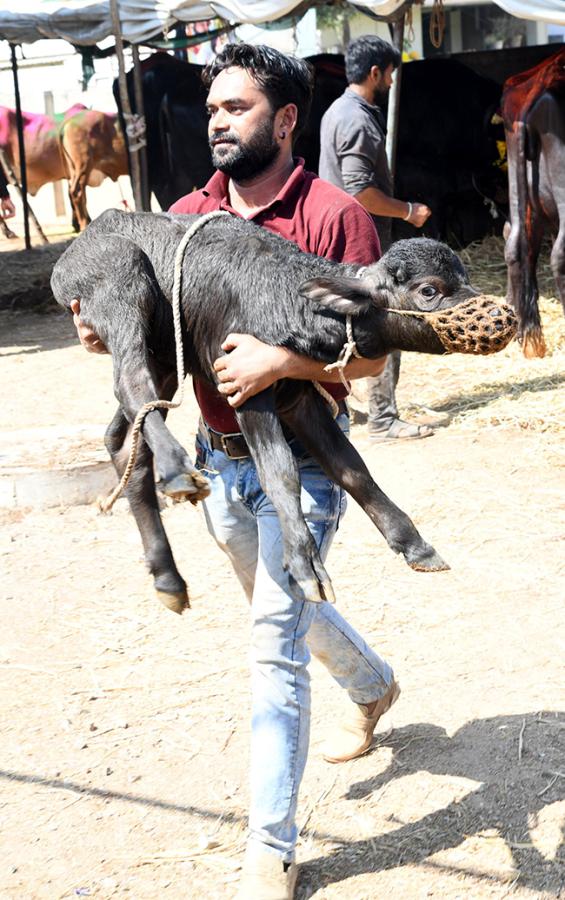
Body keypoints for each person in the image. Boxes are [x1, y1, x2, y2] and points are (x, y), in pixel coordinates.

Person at [73, 44, 399, 900]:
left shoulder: (334, 216)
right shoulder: (180, 216)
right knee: (277, 613)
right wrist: (109, 331)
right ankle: (372, 685)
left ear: (286, 120)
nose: (216, 121)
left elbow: (370, 357)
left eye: (236, 108)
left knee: (270, 650)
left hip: (306, 464)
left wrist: (285, 362)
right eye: (212, 108)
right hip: (220, 467)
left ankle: (271, 849)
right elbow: (157, 344)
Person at [319, 34, 435, 443]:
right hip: (361, 242)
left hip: (338, 242)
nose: (391, 81)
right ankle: (384, 420)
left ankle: (341, 405)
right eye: (389, 73)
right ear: (374, 72)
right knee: (388, 323)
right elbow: (359, 192)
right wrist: (408, 210)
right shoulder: (358, 120)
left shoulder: (337, 111)